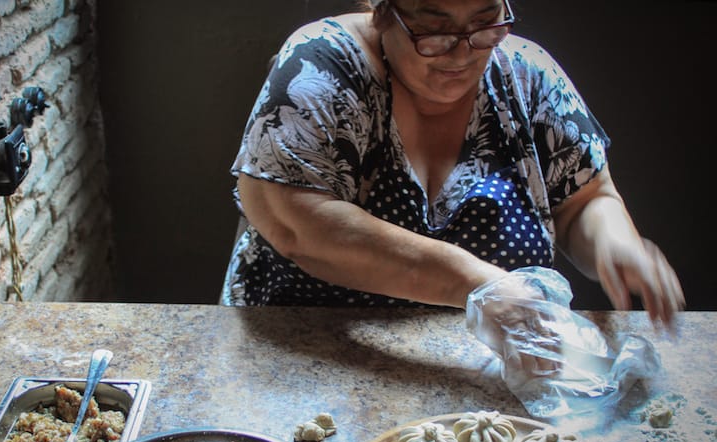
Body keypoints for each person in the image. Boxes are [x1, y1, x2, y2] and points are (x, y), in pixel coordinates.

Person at [220, 0, 684, 331]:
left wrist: (613, 242)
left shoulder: (527, 72)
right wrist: (478, 283)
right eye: (433, 30)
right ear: (383, 12)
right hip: (303, 353)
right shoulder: (321, 62)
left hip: (477, 372)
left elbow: (583, 200)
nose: (462, 53)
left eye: (485, 24)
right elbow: (297, 224)